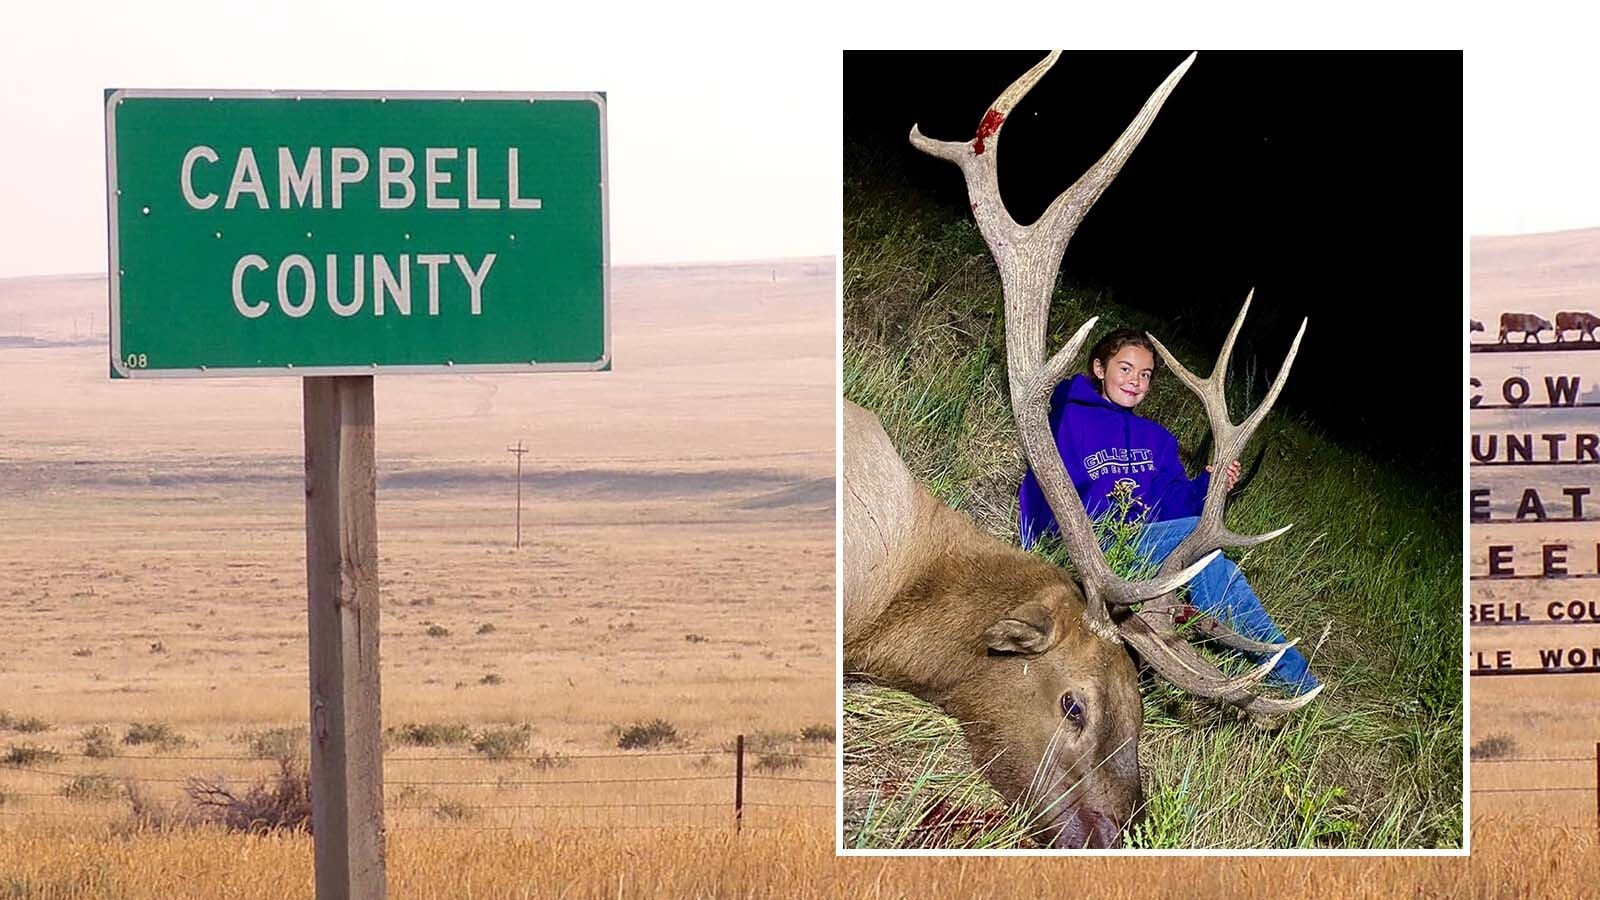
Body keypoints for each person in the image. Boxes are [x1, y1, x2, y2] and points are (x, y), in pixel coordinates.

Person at [1017, 327, 1318, 694]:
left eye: (1145, 374)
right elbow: (1042, 486)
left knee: (1202, 542)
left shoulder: (1156, 438)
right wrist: (1041, 550)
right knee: (1202, 551)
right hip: (1089, 542)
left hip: (1141, 545)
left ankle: (1283, 669)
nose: (1135, 381)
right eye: (1125, 369)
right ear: (1099, 368)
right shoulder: (1066, 419)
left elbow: (1172, 507)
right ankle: (1291, 674)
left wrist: (1209, 485)